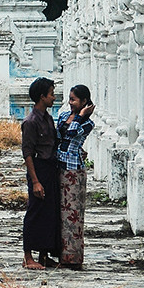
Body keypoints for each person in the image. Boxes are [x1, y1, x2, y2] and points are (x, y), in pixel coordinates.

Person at [21, 77, 61, 270]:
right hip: (38, 168)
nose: (54, 97)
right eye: (51, 94)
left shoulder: (48, 118)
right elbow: (27, 153)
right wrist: (35, 181)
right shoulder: (31, 122)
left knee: (49, 212)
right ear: (42, 96)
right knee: (35, 211)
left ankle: (43, 254)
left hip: (50, 167)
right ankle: (28, 256)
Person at [56, 84, 95, 269]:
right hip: (58, 166)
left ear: (84, 102)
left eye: (74, 99)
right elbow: (59, 136)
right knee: (59, 213)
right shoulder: (63, 116)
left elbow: (71, 133)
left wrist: (80, 116)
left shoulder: (87, 123)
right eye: (69, 99)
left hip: (74, 170)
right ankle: (58, 252)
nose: (70, 103)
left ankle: (72, 257)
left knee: (73, 215)